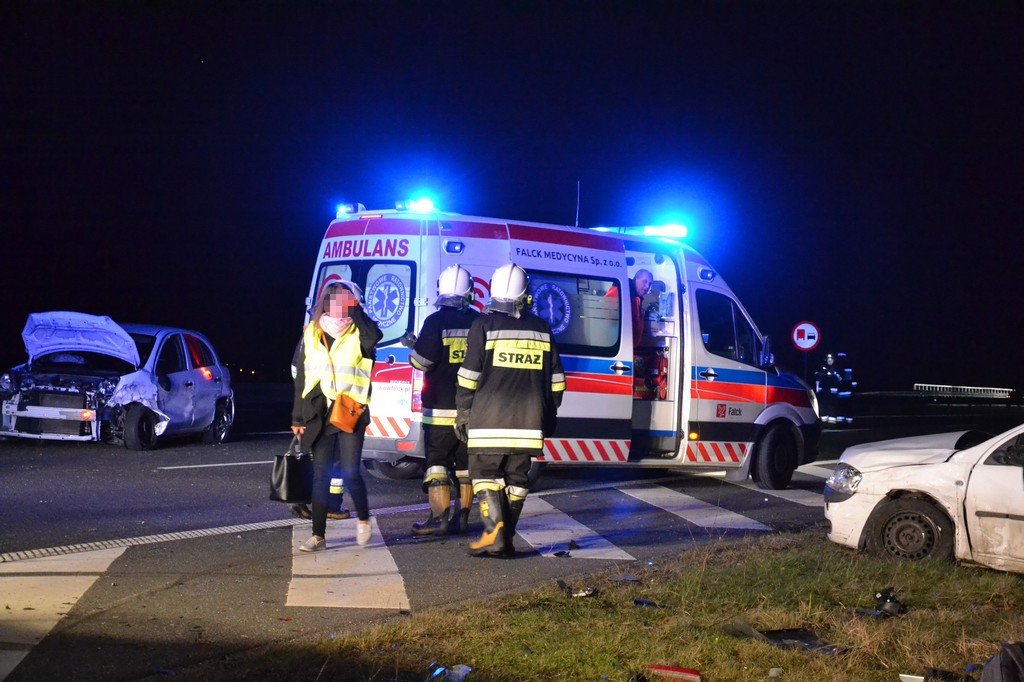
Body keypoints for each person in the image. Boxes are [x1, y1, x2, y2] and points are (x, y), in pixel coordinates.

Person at [455, 263, 565, 557]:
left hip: (488, 421)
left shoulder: (483, 325)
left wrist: (463, 411)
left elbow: (468, 376)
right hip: (529, 424)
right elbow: (557, 381)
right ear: (525, 294)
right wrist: (548, 413)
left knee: (484, 474)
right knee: (517, 479)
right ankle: (506, 537)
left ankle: (494, 535)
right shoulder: (542, 329)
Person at [291, 280, 382, 552]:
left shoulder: (361, 332)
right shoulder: (312, 332)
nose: (339, 304)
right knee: (321, 476)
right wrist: (297, 417)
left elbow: (373, 337)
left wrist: (355, 309)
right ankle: (317, 535)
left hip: (350, 411)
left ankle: (364, 519)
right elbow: (302, 377)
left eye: (345, 300)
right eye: (334, 299)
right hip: (318, 412)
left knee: (352, 472)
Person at [407, 265, 480, 535]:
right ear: (469, 292)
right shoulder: (478, 322)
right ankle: (463, 518)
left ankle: (439, 519)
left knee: (437, 464)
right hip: (470, 409)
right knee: (465, 467)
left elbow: (421, 362)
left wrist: (412, 348)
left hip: (438, 409)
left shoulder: (435, 322)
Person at [630, 269, 653, 348]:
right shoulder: (623, 292)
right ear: (636, 278)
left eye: (649, 284)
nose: (647, 287)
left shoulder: (637, 298)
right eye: (644, 281)